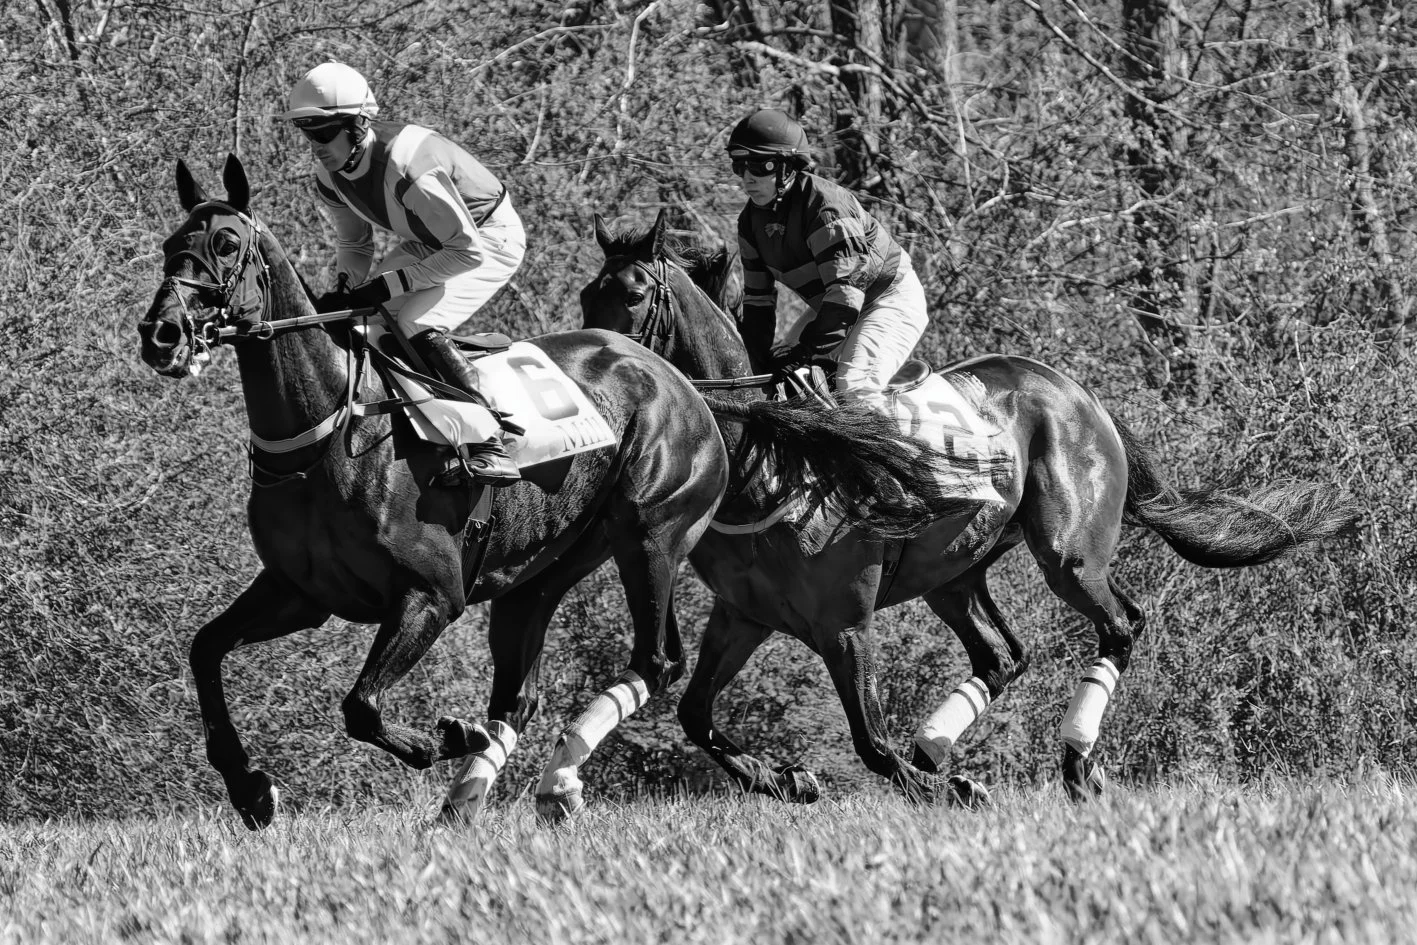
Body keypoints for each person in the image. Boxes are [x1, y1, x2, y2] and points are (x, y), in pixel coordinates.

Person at [280, 61, 525, 487]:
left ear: (357, 126)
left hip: (487, 241)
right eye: (307, 133)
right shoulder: (328, 174)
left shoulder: (409, 168)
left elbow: (466, 253)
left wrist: (391, 284)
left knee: (414, 322)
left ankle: (488, 439)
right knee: (354, 326)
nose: (314, 145)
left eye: (323, 132)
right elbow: (355, 244)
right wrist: (346, 289)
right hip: (432, 242)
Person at [727, 108, 929, 411]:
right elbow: (758, 302)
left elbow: (846, 296)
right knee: (777, 383)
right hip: (833, 306)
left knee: (856, 388)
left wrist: (806, 352)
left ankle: (905, 458)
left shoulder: (826, 207)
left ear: (787, 167)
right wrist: (756, 362)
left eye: (760, 165)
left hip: (887, 298)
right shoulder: (749, 223)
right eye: (740, 166)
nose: (747, 178)